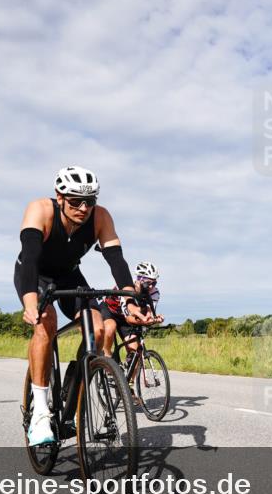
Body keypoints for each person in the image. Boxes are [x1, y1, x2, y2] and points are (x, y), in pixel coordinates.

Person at [14, 165, 144, 445]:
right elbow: (31, 256)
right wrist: (31, 302)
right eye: (75, 201)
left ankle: (72, 395)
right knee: (45, 323)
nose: (83, 208)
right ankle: (40, 413)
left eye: (89, 201)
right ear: (59, 197)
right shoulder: (40, 210)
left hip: (70, 275)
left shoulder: (100, 217)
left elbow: (116, 260)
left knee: (97, 330)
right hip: (36, 275)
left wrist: (130, 302)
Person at [98, 261, 164, 361]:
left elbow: (148, 313)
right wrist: (145, 321)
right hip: (110, 311)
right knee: (110, 327)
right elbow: (129, 319)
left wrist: (154, 319)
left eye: (154, 283)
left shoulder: (154, 293)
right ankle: (107, 357)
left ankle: (128, 370)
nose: (151, 286)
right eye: (148, 283)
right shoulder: (126, 287)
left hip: (125, 317)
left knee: (135, 354)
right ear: (139, 280)